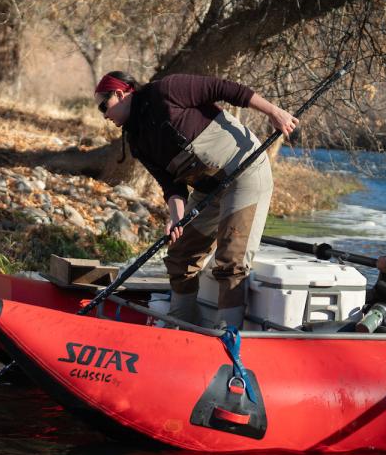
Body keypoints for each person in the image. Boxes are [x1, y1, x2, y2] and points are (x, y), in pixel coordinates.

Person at [94, 71, 298, 328]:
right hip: (207, 191)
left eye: (104, 106)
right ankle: (180, 326)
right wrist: (177, 219)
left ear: (121, 94)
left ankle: (228, 337)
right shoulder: (136, 140)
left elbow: (227, 89)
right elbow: (171, 185)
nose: (104, 115)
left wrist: (274, 112)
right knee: (180, 253)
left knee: (231, 259)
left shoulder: (167, 90)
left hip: (245, 175)